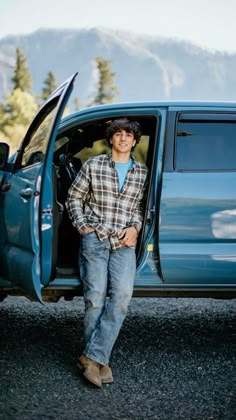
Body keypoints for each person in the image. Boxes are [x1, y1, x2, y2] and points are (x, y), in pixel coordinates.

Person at [66, 118, 148, 387]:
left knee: (122, 296)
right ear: (111, 139)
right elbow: (74, 197)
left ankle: (92, 357)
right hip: (96, 238)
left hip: (124, 242)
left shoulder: (142, 173)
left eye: (129, 135)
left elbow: (139, 208)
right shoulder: (94, 165)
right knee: (95, 298)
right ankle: (100, 361)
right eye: (118, 134)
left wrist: (136, 227)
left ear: (135, 141)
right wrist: (82, 227)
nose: (123, 138)